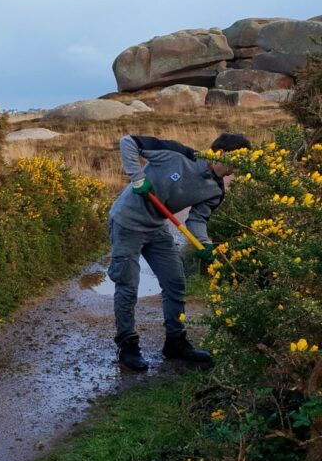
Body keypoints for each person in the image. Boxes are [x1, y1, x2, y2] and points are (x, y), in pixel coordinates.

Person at [108, 132, 251, 371]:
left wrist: (203, 243)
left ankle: (175, 342)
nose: (235, 171)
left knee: (176, 282)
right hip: (126, 223)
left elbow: (197, 219)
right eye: (236, 163)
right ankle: (127, 345)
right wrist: (138, 178)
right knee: (128, 286)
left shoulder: (216, 190)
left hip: (156, 228)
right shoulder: (177, 154)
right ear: (221, 154)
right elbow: (127, 142)